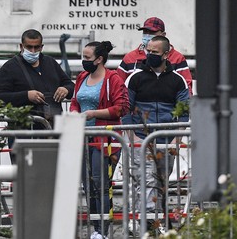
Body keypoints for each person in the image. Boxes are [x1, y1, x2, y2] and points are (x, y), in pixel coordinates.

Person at [122, 35, 189, 233]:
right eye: (147, 51)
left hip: (166, 142)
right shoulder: (135, 78)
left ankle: (151, 222)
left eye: (154, 52)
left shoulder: (178, 81)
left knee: (160, 184)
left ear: (166, 54)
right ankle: (147, 225)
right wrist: (132, 136)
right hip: (141, 139)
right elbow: (126, 108)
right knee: (145, 182)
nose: (149, 55)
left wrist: (177, 139)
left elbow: (184, 111)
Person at [69, 41, 129, 239]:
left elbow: (120, 108)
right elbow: (75, 102)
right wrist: (75, 113)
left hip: (104, 138)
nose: (83, 61)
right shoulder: (82, 77)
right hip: (82, 138)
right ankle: (95, 227)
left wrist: (93, 112)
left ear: (99, 59)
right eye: (83, 57)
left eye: (87, 58)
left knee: (100, 183)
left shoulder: (113, 79)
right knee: (87, 185)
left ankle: (102, 230)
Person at [0, 29, 75, 127]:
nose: (33, 51)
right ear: (21, 46)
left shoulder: (50, 63)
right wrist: (26, 96)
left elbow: (70, 84)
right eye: (29, 47)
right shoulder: (9, 68)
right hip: (23, 130)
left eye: (36, 47)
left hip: (53, 128)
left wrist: (66, 89)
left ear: (42, 47)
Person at [117, 17, 193, 95]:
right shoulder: (129, 58)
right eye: (145, 32)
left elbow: (186, 90)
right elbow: (118, 88)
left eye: (152, 32)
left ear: (163, 35)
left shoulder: (178, 58)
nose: (148, 35)